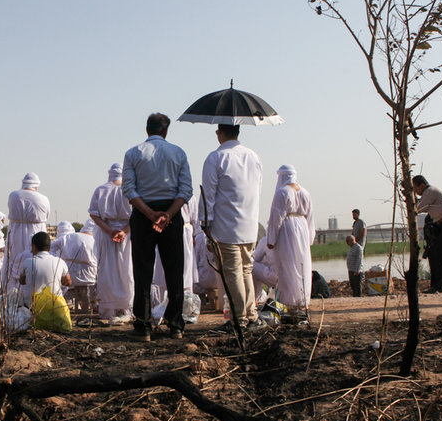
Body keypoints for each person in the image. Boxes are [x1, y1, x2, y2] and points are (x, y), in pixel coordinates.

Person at [122, 113, 193, 340]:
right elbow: (186, 190)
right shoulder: (178, 153)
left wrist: (151, 214)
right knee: (174, 270)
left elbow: (129, 190)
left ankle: (143, 325)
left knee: (142, 270)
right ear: (165, 132)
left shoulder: (133, 153)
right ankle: (175, 324)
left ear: (147, 130)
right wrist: (169, 214)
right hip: (171, 213)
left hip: (144, 213)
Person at [201, 123, 263, 329]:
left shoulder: (216, 158)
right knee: (245, 269)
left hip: (226, 225)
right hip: (249, 223)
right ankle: (251, 314)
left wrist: (205, 222)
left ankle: (238, 318)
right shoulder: (253, 156)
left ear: (220, 133)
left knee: (232, 271)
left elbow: (208, 194)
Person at [89, 163, 135, 324]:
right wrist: (124, 231)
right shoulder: (131, 191)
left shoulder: (101, 190)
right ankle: (126, 308)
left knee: (107, 270)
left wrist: (109, 230)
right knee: (126, 270)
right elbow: (137, 215)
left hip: (107, 233)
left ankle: (108, 309)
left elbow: (94, 215)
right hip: (127, 234)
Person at [266, 165, 316, 310]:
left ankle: (289, 302)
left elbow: (276, 218)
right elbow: (311, 218)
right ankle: (302, 301)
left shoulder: (282, 192)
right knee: (302, 266)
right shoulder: (306, 193)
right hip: (303, 228)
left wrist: (271, 240)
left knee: (287, 265)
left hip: (287, 230)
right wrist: (309, 239)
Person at [412, 176, 442, 293]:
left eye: (415, 188)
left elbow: (419, 208)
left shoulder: (429, 191)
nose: (415, 191)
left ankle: (440, 286)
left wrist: (411, 196)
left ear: (422, 185)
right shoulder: (432, 191)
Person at [6, 173, 50, 292]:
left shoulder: (13, 195)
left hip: (16, 232)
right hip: (36, 230)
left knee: (16, 261)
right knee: (35, 261)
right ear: (36, 185)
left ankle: (14, 293)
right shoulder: (43, 198)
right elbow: (46, 215)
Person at [19, 231, 72, 306]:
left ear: (34, 247)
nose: (31, 250)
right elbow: (68, 282)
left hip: (32, 306)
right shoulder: (60, 262)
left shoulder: (27, 262)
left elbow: (22, 281)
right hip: (55, 305)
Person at [60, 220, 98, 315]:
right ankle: (94, 305)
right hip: (89, 279)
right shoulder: (94, 241)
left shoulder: (69, 237)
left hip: (70, 279)